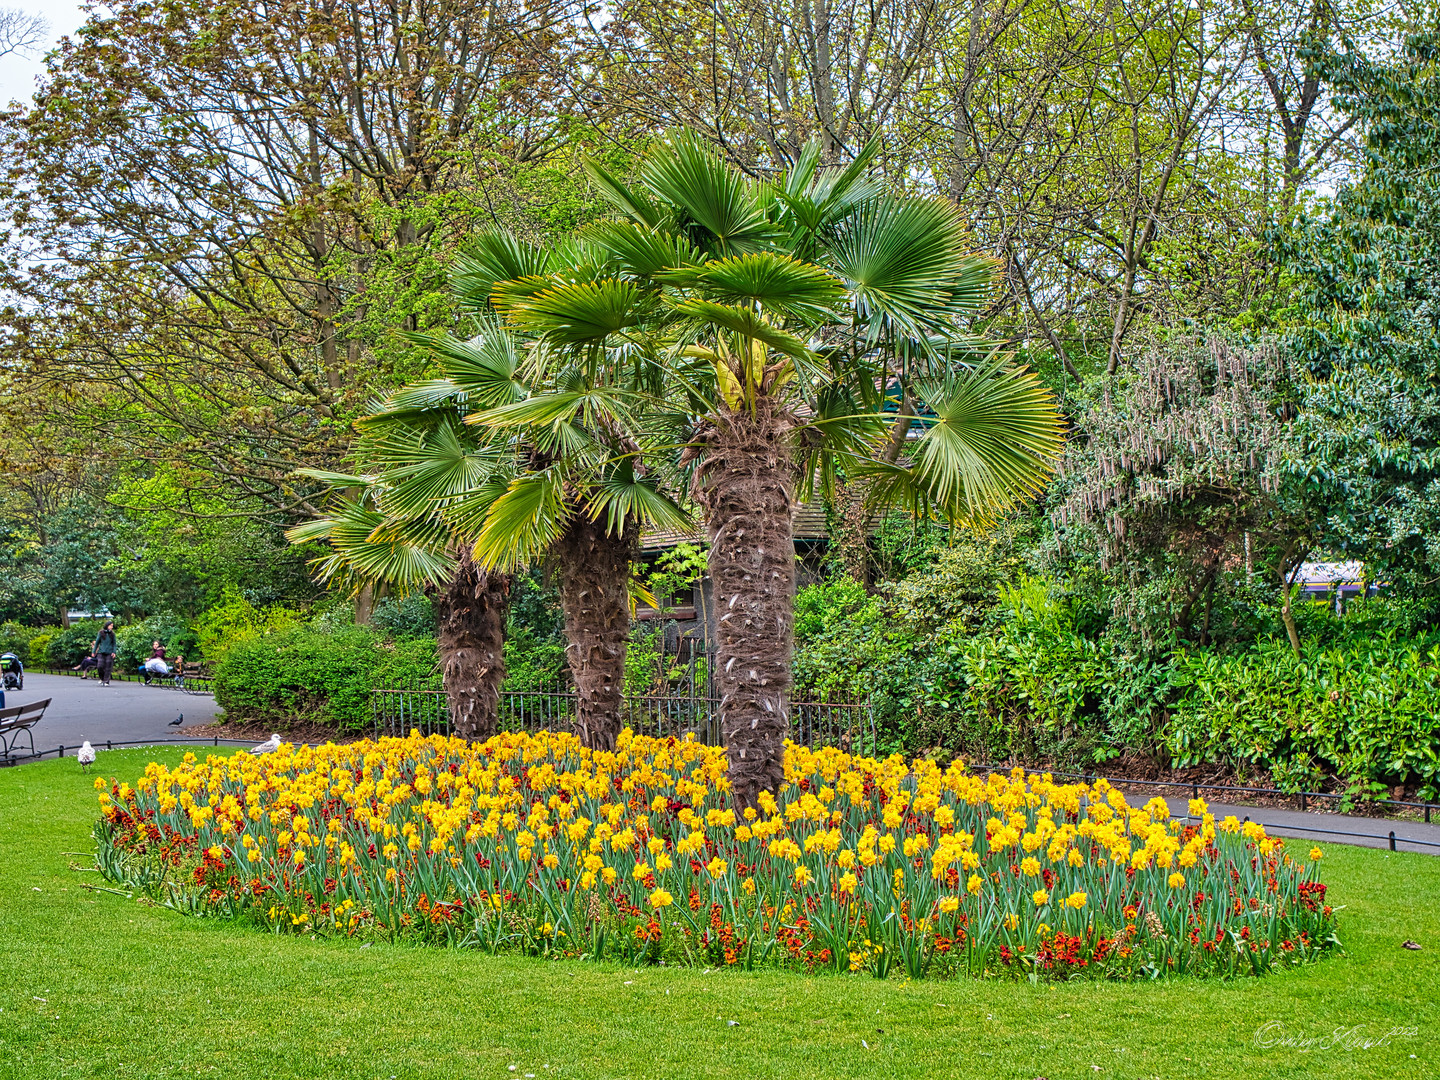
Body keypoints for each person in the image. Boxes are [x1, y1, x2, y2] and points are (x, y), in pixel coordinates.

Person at [92, 621, 117, 686]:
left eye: (112, 625)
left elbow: (114, 644)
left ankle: (106, 681)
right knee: (100, 666)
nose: (112, 627)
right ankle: (102, 678)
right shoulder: (101, 633)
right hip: (101, 652)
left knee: (108, 667)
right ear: (107, 625)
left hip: (109, 652)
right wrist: (93, 652)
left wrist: (114, 652)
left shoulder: (112, 634)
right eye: (111, 625)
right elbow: (97, 643)